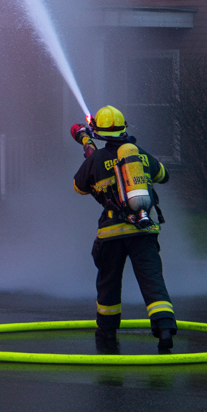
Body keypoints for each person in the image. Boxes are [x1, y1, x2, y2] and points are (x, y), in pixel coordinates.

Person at [71, 105, 177, 353]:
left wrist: (91, 158)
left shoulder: (96, 159)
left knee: (108, 281)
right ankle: (164, 328)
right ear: (123, 129)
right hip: (143, 230)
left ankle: (107, 330)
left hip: (111, 234)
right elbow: (164, 175)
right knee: (152, 280)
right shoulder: (138, 155)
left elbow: (79, 187)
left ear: (97, 132)